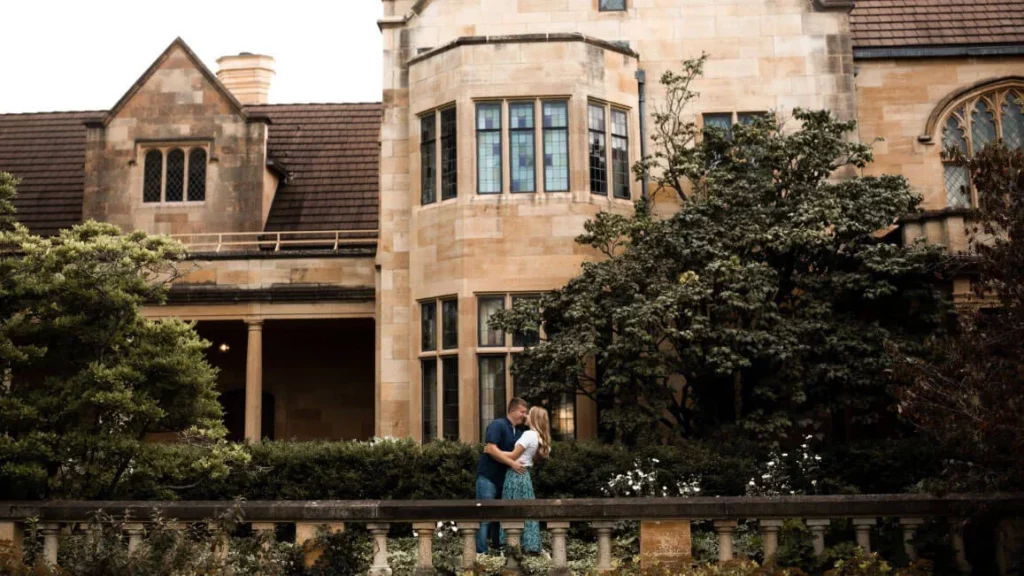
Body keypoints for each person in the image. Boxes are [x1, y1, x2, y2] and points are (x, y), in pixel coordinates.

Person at [476, 397, 528, 554]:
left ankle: (497, 550)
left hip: (504, 481)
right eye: (522, 412)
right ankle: (481, 553)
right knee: (485, 518)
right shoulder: (497, 425)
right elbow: (491, 449)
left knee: (499, 518)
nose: (524, 415)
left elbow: (511, 453)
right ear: (512, 410)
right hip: (488, 478)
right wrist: (512, 463)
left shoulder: (519, 432)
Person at [499, 406, 551, 554]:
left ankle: (513, 546)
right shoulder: (539, 437)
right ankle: (530, 545)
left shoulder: (529, 435)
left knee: (511, 510)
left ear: (534, 418)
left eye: (529, 414)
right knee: (526, 511)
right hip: (525, 475)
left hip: (515, 474)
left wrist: (493, 451)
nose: (526, 416)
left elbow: (513, 456)